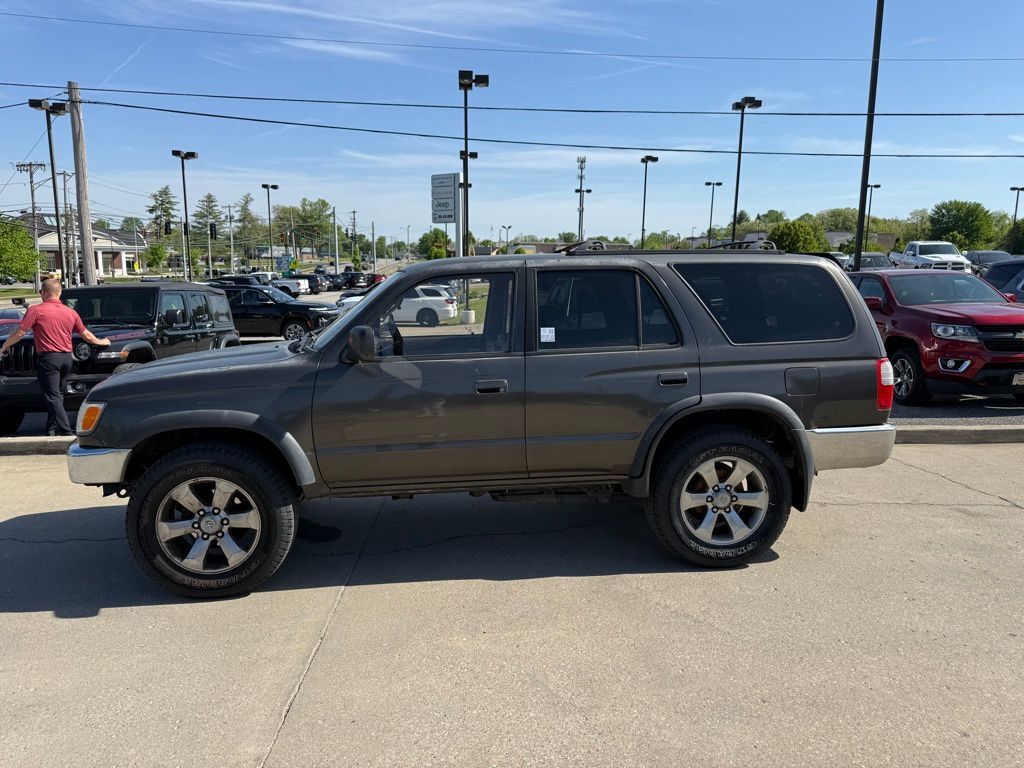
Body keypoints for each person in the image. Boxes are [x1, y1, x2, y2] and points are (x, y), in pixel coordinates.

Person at [0, 279, 111, 435]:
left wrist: (4, 346)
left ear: (44, 292)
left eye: (40, 292)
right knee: (58, 395)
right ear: (59, 293)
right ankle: (51, 430)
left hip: (48, 359)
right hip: (67, 358)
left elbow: (20, 332)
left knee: (52, 396)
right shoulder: (70, 312)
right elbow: (85, 334)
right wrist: (101, 341)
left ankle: (66, 432)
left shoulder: (36, 310)